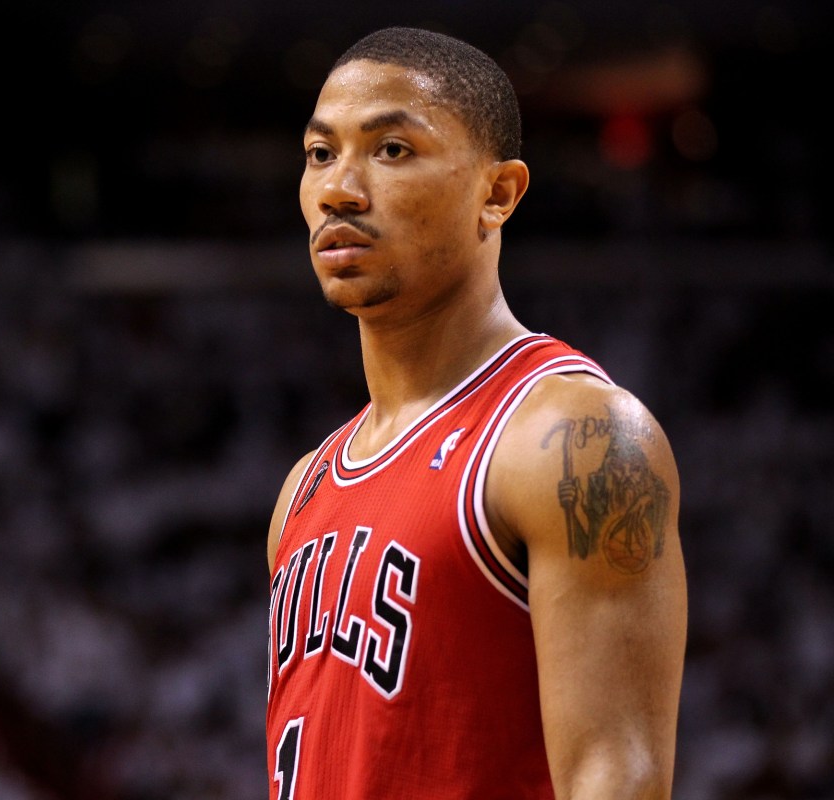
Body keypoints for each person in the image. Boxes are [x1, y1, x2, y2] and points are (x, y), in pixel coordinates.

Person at [265, 26, 687, 799]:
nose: (338, 189)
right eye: (320, 153)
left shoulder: (575, 438)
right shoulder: (304, 487)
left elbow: (616, 777)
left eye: (392, 149)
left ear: (498, 194)